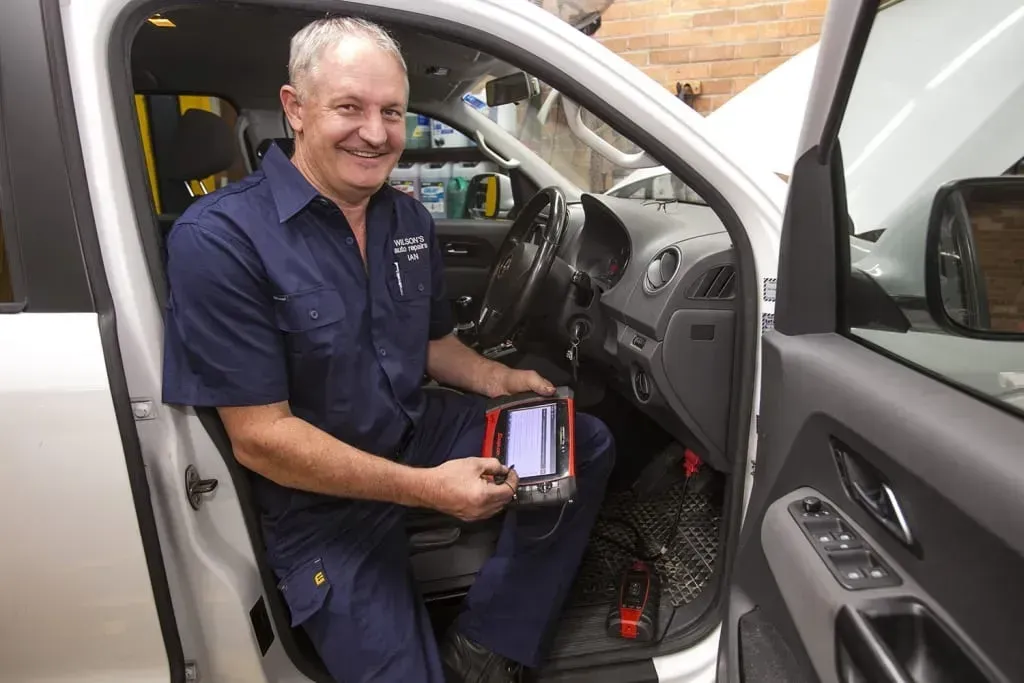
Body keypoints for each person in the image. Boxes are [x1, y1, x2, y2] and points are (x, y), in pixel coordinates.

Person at [161, 16, 615, 683]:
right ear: (296, 109)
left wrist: (498, 378)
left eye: (392, 112)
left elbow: (430, 343)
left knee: (585, 441)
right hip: (318, 501)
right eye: (349, 107)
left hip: (413, 430)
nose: (375, 133)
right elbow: (261, 439)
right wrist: (427, 491)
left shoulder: (405, 217)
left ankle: (490, 641)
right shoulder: (221, 238)